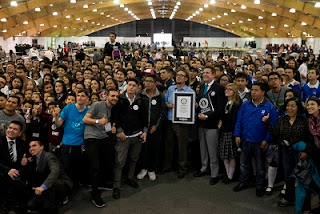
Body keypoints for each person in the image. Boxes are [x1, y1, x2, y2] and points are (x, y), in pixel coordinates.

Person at [262, 97, 314, 208]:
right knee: (288, 177)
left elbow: (309, 138)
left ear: (298, 108)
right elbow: (275, 132)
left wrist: (306, 152)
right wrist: (266, 123)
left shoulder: (304, 121)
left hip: (300, 153)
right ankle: (289, 198)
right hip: (285, 152)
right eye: (288, 106)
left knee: (303, 178)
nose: (289, 108)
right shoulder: (282, 120)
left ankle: (305, 204)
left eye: (292, 106)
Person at [233, 82, 278, 197]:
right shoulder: (246, 104)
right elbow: (239, 120)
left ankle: (259, 185)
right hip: (245, 139)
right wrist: (237, 134)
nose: (253, 92)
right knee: (243, 164)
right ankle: (244, 182)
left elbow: (272, 126)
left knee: (259, 166)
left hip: (259, 141)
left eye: (256, 90)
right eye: (252, 90)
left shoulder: (269, 107)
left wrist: (266, 140)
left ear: (263, 92)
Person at [82, 89, 119, 208]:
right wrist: (98, 121)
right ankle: (95, 194)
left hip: (103, 137)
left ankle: (101, 182)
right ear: (106, 96)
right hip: (92, 138)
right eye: (112, 96)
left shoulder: (111, 108)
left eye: (116, 96)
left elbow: (105, 125)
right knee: (95, 167)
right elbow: (85, 119)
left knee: (109, 161)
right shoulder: (97, 104)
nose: (115, 98)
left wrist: (111, 129)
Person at [112, 78, 147, 199]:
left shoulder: (140, 100)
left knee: (133, 158)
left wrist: (144, 132)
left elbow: (144, 118)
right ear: (126, 86)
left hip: (137, 135)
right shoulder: (119, 100)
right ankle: (116, 186)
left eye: (134, 85)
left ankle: (130, 178)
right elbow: (114, 117)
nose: (131, 87)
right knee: (120, 162)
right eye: (129, 85)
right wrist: (119, 130)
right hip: (123, 136)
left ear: (137, 88)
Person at [194, 66, 226, 185]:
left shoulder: (219, 88)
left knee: (212, 150)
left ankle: (214, 173)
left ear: (213, 74)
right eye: (204, 72)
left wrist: (208, 116)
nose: (205, 74)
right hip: (201, 123)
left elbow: (220, 107)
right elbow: (203, 102)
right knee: (203, 148)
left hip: (212, 123)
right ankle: (204, 168)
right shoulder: (202, 86)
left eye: (207, 73)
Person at [163, 69, 194, 179]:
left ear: (186, 78)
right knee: (169, 145)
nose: (179, 77)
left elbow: (192, 110)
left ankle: (182, 168)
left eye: (181, 75)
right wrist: (168, 105)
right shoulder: (171, 89)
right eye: (177, 75)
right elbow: (165, 101)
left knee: (182, 147)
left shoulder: (190, 92)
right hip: (170, 120)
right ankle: (167, 166)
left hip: (182, 123)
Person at [53, 89, 89, 185]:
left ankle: (76, 186)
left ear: (87, 99)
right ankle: (66, 189)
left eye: (82, 96)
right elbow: (58, 124)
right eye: (78, 95)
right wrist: (56, 116)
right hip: (67, 143)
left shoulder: (89, 110)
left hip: (81, 144)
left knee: (78, 168)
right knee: (66, 168)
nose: (80, 97)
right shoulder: (68, 108)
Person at [28, 140, 73, 213]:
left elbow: (55, 171)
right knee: (31, 205)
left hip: (61, 184)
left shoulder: (49, 156)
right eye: (30, 147)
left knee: (50, 187)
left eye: (34, 145)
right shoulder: (33, 159)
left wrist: (43, 187)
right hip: (47, 186)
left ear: (42, 147)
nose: (31, 148)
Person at [137, 75, 166, 181]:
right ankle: (143, 168)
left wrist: (156, 125)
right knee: (143, 149)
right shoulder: (140, 95)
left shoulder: (160, 96)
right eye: (146, 81)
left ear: (155, 83)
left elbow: (162, 112)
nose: (147, 83)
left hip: (155, 128)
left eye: (150, 81)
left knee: (154, 149)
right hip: (142, 128)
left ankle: (152, 169)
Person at [0, 121, 28, 213]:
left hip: (17, 174)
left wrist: (25, 162)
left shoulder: (23, 144)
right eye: (10, 128)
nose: (11, 130)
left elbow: (26, 161)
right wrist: (8, 170)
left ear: (20, 133)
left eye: (15, 129)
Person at [219, 83, 240, 184]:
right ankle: (228, 174)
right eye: (226, 89)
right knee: (225, 155)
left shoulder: (235, 105)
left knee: (231, 156)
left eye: (230, 89)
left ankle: (230, 176)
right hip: (224, 131)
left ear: (234, 92)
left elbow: (235, 121)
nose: (227, 91)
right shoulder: (226, 104)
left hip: (230, 132)